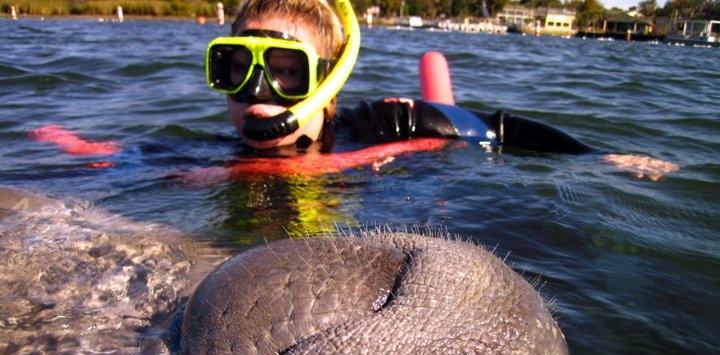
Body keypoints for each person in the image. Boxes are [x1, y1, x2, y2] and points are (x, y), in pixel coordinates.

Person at [206, 0, 677, 179]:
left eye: (287, 70)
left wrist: (597, 157)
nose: (256, 90)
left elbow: (500, 129)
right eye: (235, 68)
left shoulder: (381, 124)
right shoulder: (215, 158)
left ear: (330, 81)